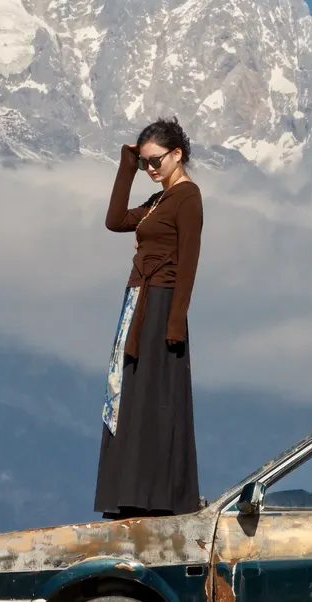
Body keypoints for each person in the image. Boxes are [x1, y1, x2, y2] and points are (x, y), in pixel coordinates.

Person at [94, 116, 203, 519]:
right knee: (129, 396)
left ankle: (156, 498)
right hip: (138, 302)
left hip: (161, 304)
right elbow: (114, 221)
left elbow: (188, 262)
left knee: (156, 398)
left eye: (156, 160)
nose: (151, 168)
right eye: (145, 163)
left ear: (177, 154)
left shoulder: (188, 198)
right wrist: (127, 167)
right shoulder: (158, 200)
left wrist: (175, 322)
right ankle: (126, 494)